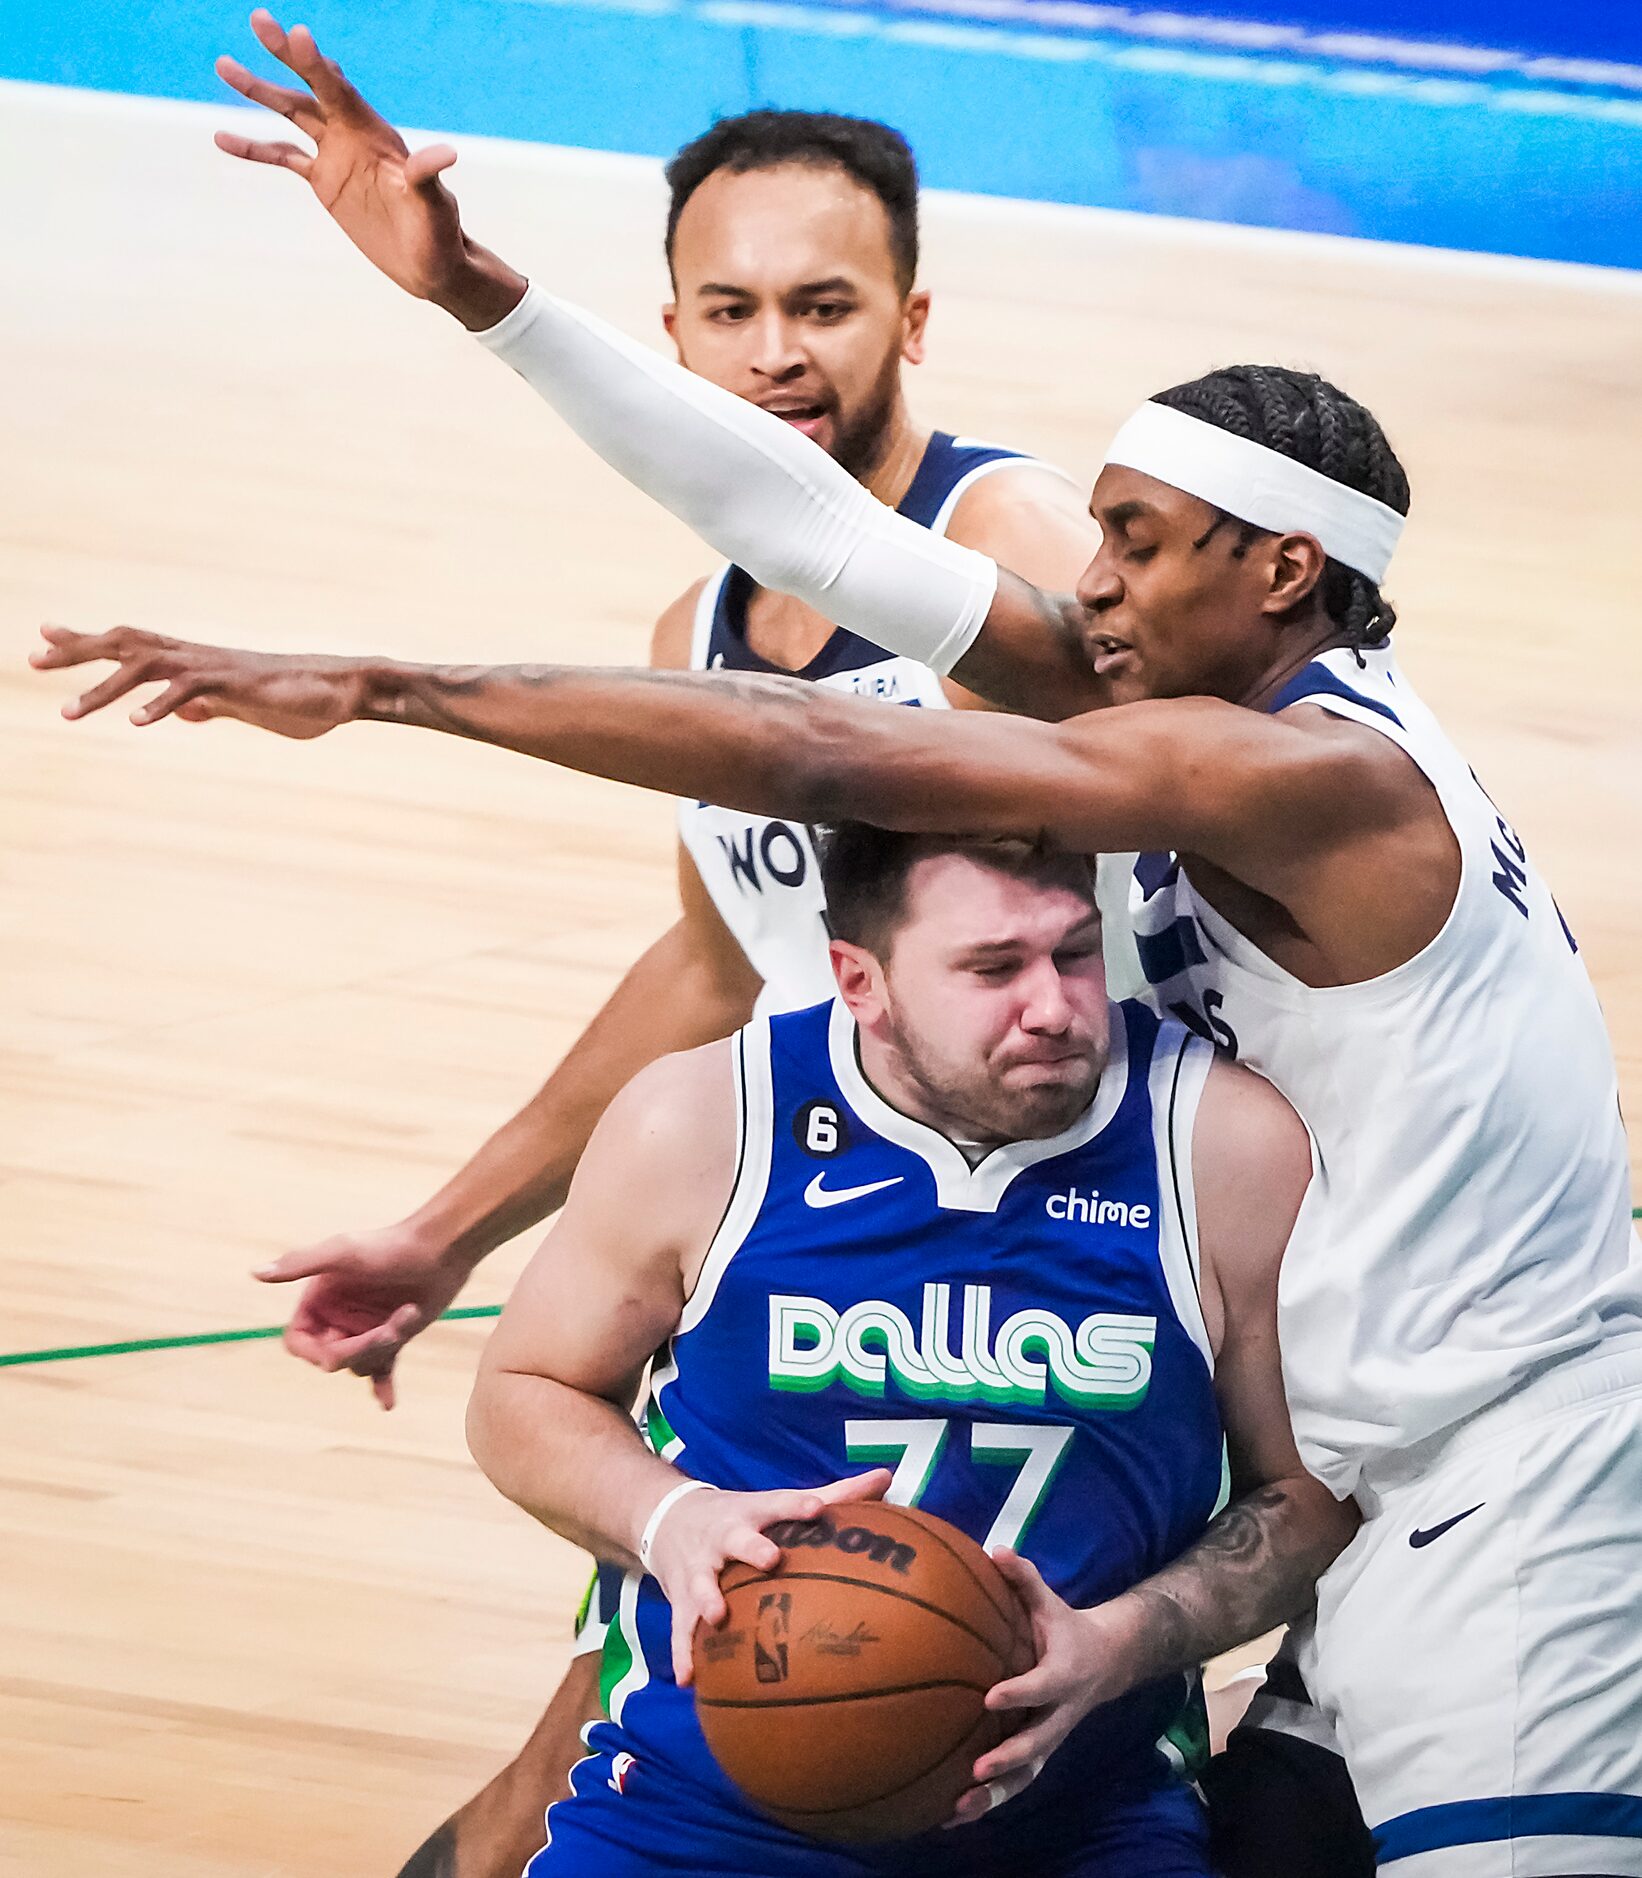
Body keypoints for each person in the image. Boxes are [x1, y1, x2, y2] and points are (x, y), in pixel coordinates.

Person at [42, 19, 1641, 1872]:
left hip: (1503, 1477)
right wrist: (483, 296)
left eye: (1130, 543)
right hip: (1342, 1471)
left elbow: (827, 742)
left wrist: (390, 683)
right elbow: (805, 535)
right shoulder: (1200, 689)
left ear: (1276, 571)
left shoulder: (1294, 773)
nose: (1087, 587)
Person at [196, 57, 1100, 1878]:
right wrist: (448, 1231)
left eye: (825, 308)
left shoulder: (1007, 540)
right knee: (624, 1766)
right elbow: (714, 968)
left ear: (913, 316)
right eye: (733, 310)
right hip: (831, 1259)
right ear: (668, 331)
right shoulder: (692, 633)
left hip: (1063, 1263)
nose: (776, 356)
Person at [465, 822, 1354, 1877]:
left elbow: (1302, 1500)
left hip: (1083, 1823)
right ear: (859, 981)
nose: (1055, 1006)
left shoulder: (1221, 1146)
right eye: (992, 969)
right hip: (702, 1806)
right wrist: (671, 1517)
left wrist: (1121, 1643)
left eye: (1075, 951)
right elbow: (523, 1392)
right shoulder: (705, 1121)